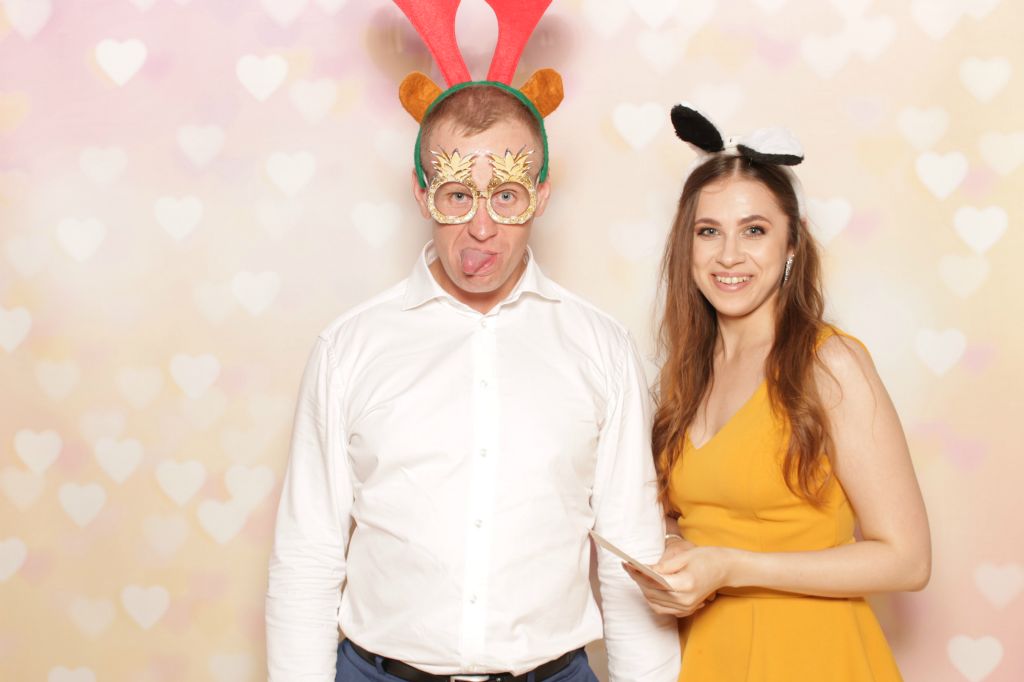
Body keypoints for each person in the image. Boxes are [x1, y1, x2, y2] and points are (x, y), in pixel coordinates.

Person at [265, 3, 679, 681]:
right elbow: (307, 556)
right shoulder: (349, 348)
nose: (481, 227)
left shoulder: (601, 348)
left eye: (506, 196)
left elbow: (632, 555)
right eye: (457, 195)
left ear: (541, 194)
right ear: (421, 191)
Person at [625, 104, 932, 681]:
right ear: (686, 245)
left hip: (814, 658)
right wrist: (673, 547)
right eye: (708, 231)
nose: (729, 255)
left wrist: (730, 567)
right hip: (707, 658)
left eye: (755, 230)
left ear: (792, 243)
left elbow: (908, 560)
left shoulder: (829, 364)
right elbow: (683, 517)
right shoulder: (683, 375)